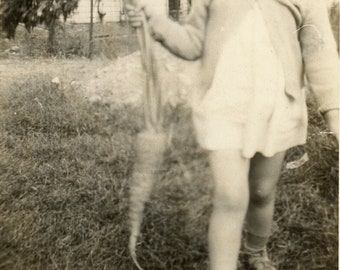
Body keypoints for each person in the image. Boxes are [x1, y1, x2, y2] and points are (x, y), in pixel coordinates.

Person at [125, 0, 339, 269]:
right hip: (223, 107)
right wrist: (155, 21)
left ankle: (256, 250)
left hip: (276, 109)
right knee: (230, 197)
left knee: (262, 192)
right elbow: (192, 43)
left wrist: (334, 111)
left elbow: (320, 54)